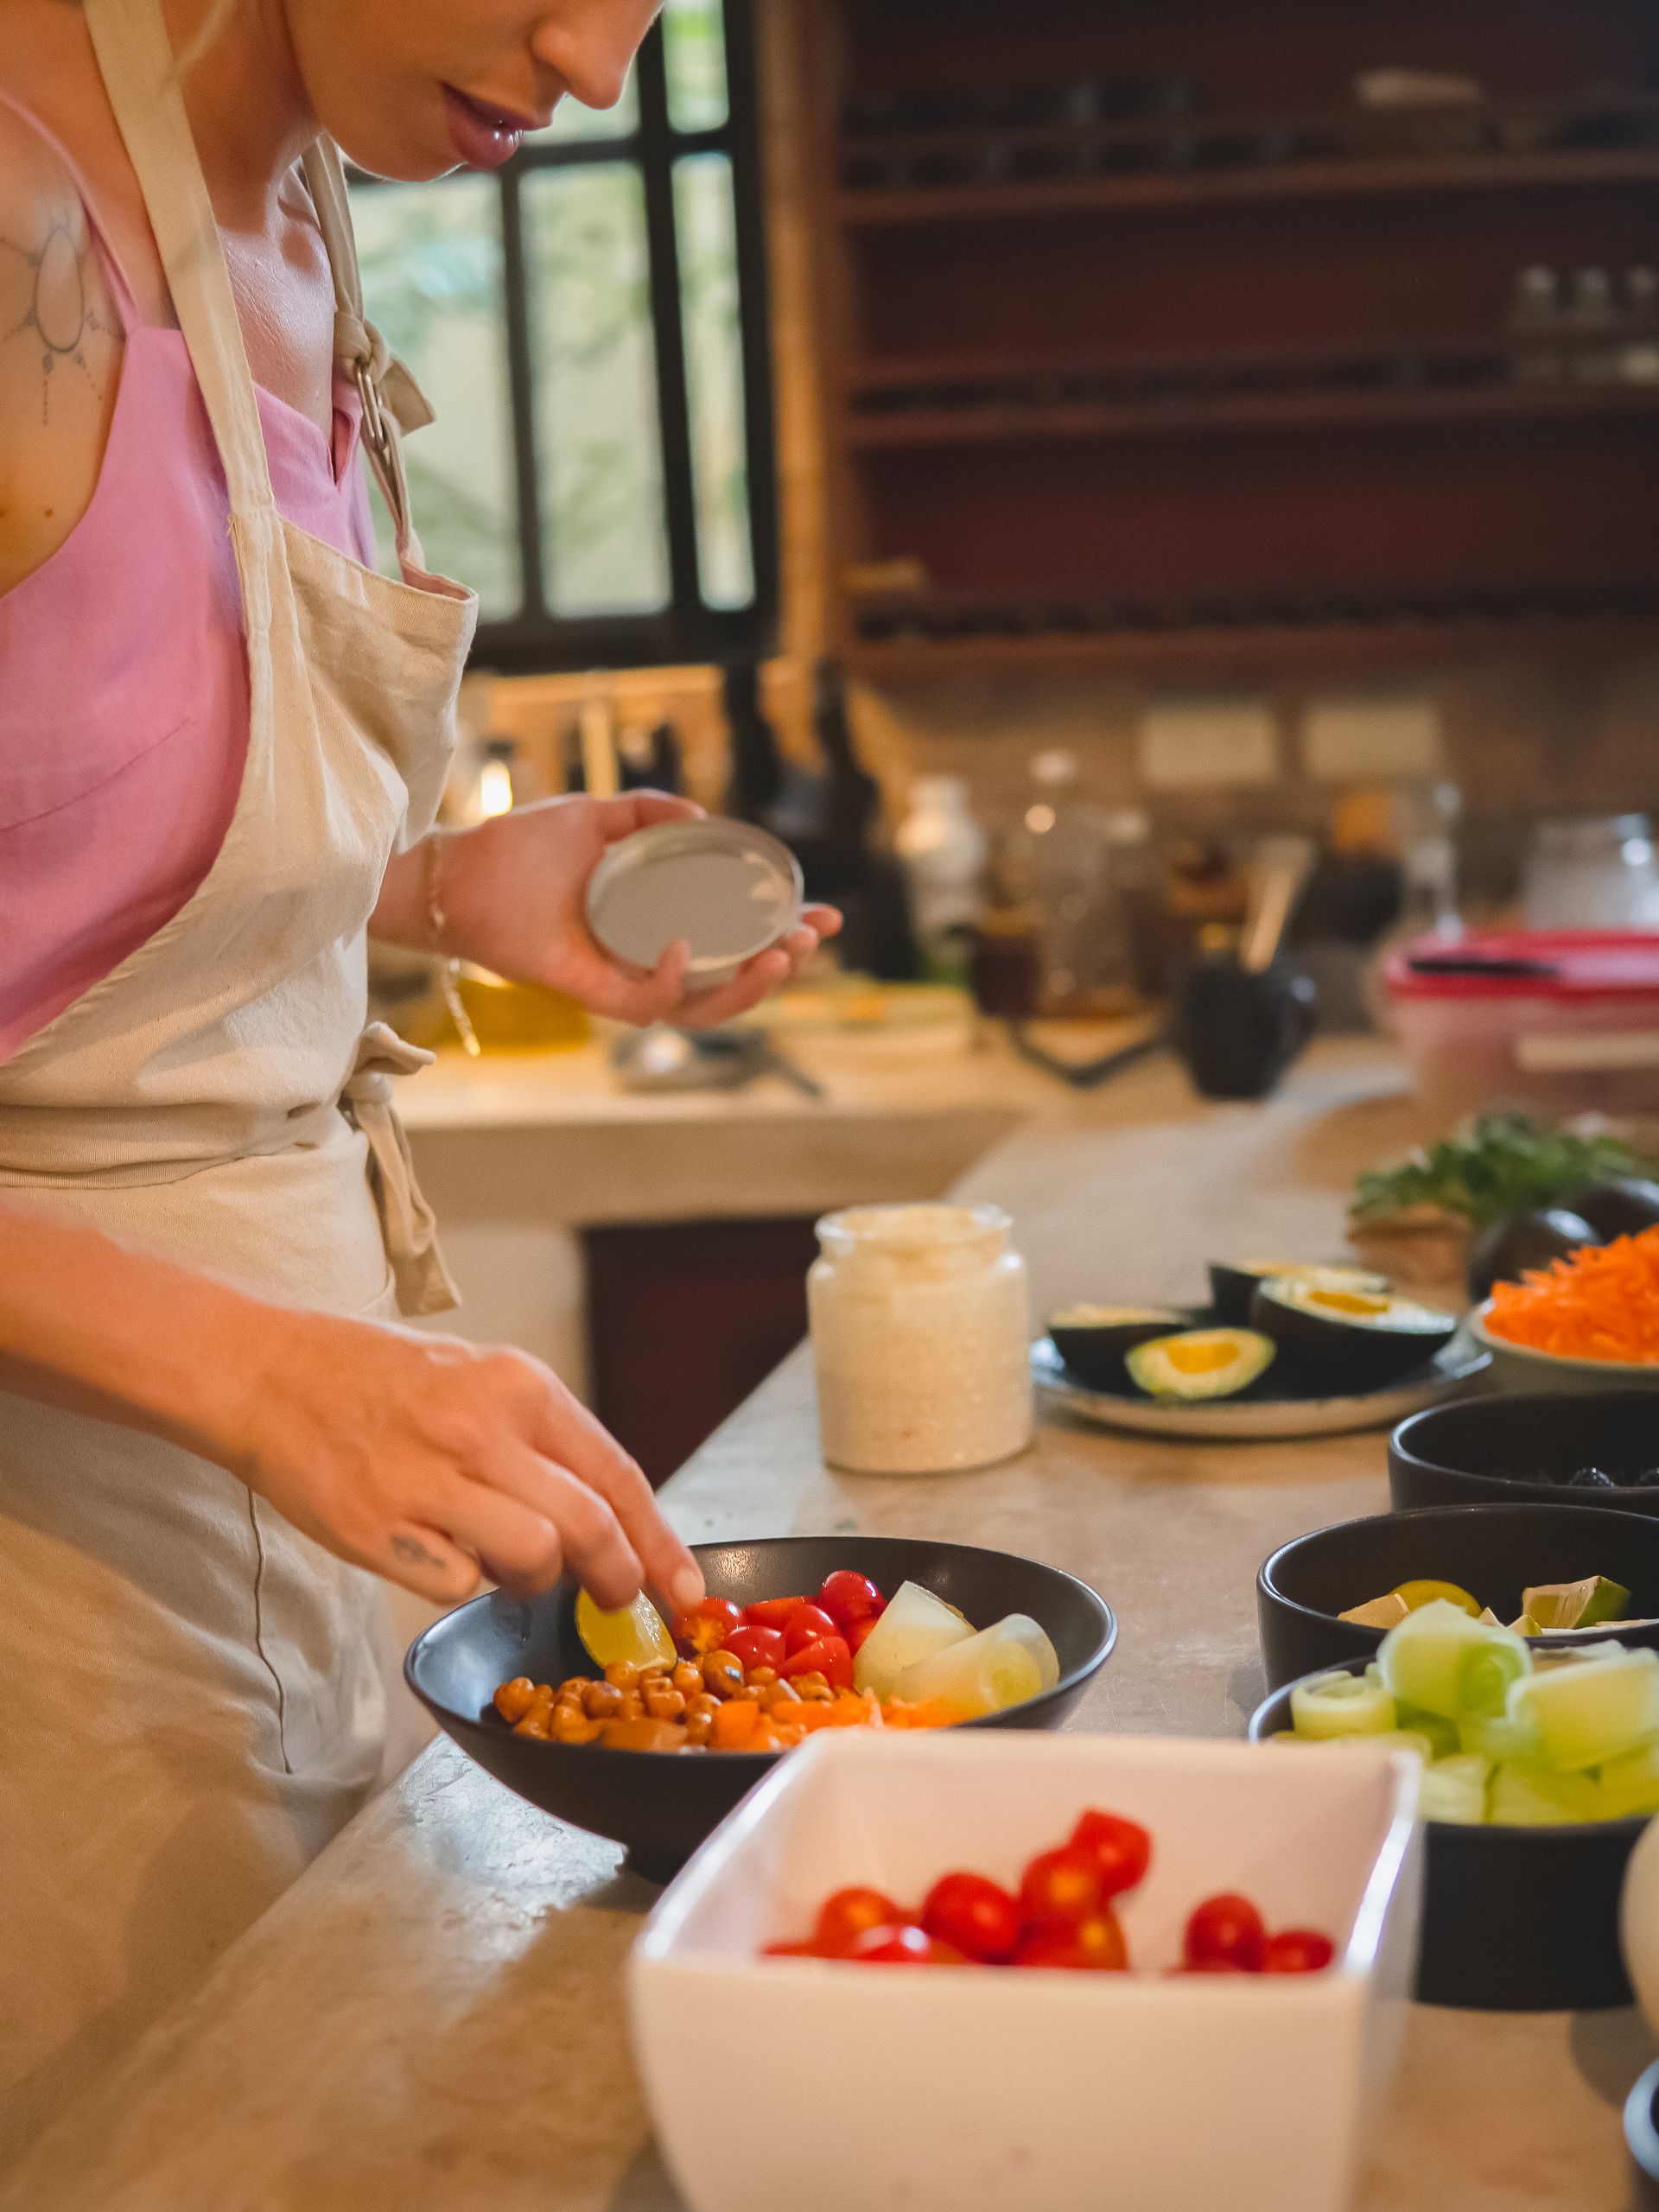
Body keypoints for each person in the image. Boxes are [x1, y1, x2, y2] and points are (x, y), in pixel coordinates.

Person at [0, 0, 839, 2159]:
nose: (596, 63)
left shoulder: (304, 204)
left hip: (287, 1465)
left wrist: (452, 885)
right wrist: (269, 1378)